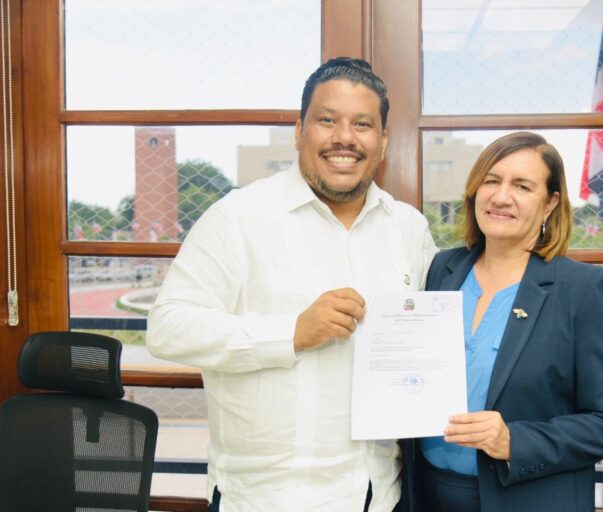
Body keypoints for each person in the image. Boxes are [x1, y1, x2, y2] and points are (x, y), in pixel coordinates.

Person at [146, 57, 437, 512]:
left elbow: (431, 342)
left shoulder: (408, 227)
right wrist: (292, 332)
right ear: (300, 131)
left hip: (380, 494)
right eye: (327, 120)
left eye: (363, 124)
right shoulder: (238, 217)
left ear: (382, 141)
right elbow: (168, 329)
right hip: (265, 498)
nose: (345, 138)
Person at [403, 132, 603, 511]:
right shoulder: (443, 268)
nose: (501, 196)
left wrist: (515, 441)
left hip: (528, 498)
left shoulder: (584, 289)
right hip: (428, 494)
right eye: (491, 181)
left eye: (522, 186)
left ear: (550, 203)